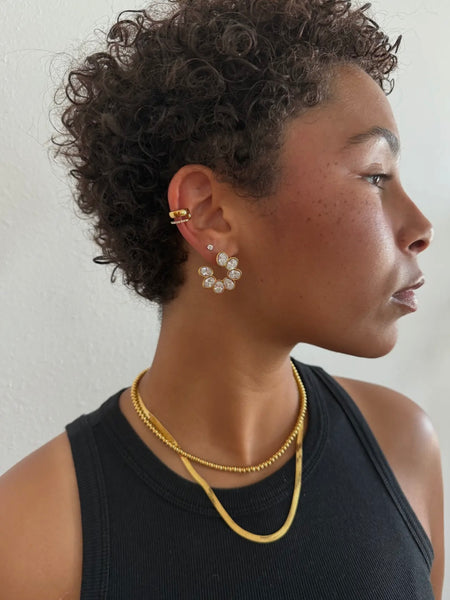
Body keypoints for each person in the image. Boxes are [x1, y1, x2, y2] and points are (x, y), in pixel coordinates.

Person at [0, 0, 445, 598]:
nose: (421, 226)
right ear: (208, 213)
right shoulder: (33, 535)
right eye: (375, 174)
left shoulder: (402, 450)